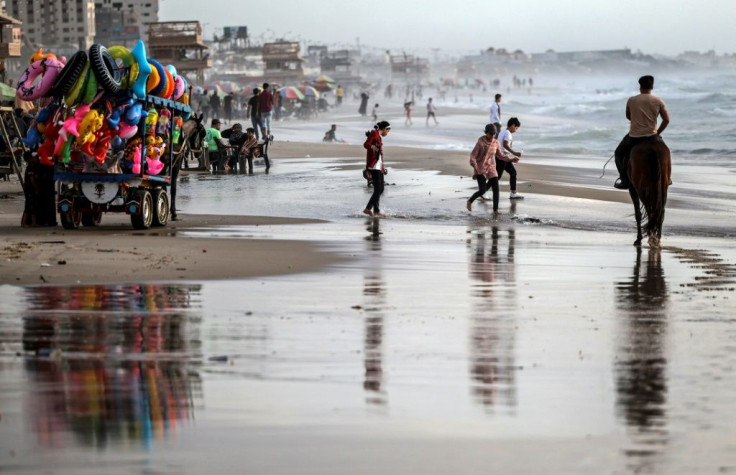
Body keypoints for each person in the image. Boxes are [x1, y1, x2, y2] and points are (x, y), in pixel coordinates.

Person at [613, 75, 670, 189]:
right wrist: (658, 132)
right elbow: (666, 120)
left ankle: (624, 180)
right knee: (666, 153)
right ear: (652, 86)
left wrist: (639, 120)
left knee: (618, 154)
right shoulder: (658, 100)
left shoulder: (632, 100)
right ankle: (667, 178)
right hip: (652, 137)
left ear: (640, 86)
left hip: (634, 137)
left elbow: (629, 117)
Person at [467, 124, 517, 215]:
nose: (492, 136)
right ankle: (470, 201)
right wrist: (475, 166)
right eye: (490, 134)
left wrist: (511, 159)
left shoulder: (496, 142)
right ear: (486, 133)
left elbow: (500, 156)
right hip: (480, 167)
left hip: (491, 167)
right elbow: (473, 156)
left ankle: (495, 210)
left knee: (496, 187)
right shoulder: (480, 142)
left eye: (494, 134)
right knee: (482, 190)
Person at [363, 121, 391, 217]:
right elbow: (366, 144)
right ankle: (368, 208)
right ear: (384, 129)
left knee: (381, 188)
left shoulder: (378, 136)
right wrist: (372, 146)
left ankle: (376, 210)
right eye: (388, 130)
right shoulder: (374, 133)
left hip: (379, 166)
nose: (388, 133)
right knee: (378, 189)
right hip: (374, 166)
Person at [495, 117, 524, 199]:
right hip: (502, 157)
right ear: (513, 125)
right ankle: (483, 191)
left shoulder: (502, 131)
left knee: (513, 173)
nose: (516, 130)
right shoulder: (508, 133)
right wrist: (515, 153)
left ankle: (513, 193)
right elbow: (505, 145)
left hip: (502, 156)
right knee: (497, 176)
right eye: (516, 128)